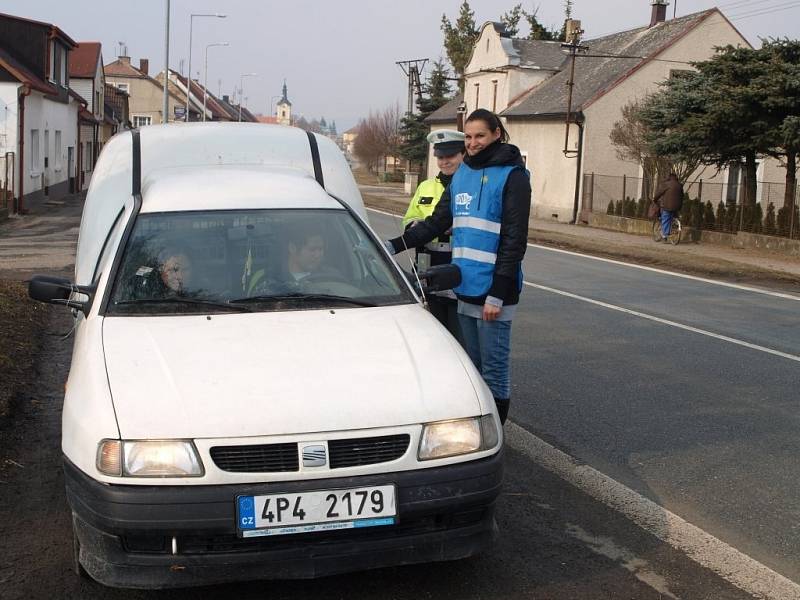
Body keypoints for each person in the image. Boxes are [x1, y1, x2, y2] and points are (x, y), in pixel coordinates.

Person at [385, 109, 531, 424]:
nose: (473, 142)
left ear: (496, 134)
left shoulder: (513, 176)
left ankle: (496, 435)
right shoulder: (462, 174)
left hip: (495, 291)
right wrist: (393, 246)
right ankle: (478, 430)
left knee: (494, 371)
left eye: (480, 135)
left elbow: (514, 240)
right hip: (464, 286)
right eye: (468, 136)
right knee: (472, 368)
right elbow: (437, 221)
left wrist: (498, 293)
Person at [401, 129, 465, 340]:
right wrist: (414, 226)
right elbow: (409, 218)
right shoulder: (425, 187)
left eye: (450, 156)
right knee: (431, 338)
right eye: (440, 157)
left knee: (458, 339)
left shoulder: (469, 186)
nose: (445, 162)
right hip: (427, 272)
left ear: (463, 154)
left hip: (458, 273)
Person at [653, 173, 683, 242]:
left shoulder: (666, 184)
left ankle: (664, 236)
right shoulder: (679, 185)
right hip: (677, 206)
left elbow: (659, 193)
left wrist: (655, 199)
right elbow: (682, 196)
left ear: (669, 178)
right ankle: (674, 229)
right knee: (672, 216)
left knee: (665, 219)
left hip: (667, 206)